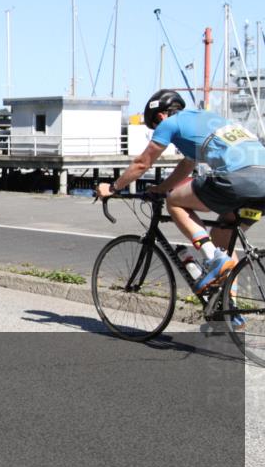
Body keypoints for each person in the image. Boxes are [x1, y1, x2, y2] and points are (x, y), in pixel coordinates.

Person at [98, 89, 265, 306]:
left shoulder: (170, 123)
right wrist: (161, 188)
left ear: (160, 116)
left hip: (236, 178)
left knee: (175, 201)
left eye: (155, 127)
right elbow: (187, 165)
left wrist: (113, 187)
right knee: (223, 242)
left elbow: (142, 163)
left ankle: (212, 257)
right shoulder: (204, 119)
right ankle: (229, 312)